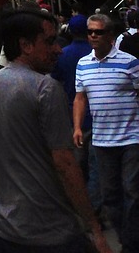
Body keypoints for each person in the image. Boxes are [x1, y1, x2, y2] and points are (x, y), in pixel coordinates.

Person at [0, 9, 111, 253]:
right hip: (50, 232)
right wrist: (93, 227)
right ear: (25, 45)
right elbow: (65, 163)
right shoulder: (45, 89)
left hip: (6, 231)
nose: (57, 49)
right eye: (49, 42)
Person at [73, 11, 139, 253]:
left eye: (98, 32)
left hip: (132, 136)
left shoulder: (129, 62)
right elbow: (80, 98)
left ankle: (131, 244)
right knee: (110, 196)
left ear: (110, 36)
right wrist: (78, 127)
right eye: (90, 31)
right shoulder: (83, 64)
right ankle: (128, 238)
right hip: (101, 140)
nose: (93, 36)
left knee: (132, 191)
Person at [52, 15, 101, 207]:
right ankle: (95, 207)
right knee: (95, 167)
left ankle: (82, 206)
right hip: (96, 117)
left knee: (78, 166)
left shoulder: (62, 54)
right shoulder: (96, 51)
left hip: (74, 119)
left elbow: (55, 82)